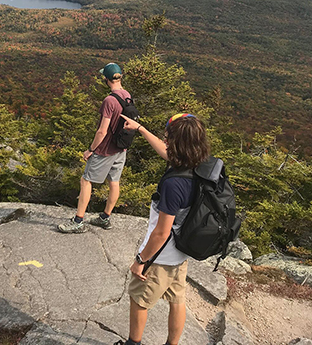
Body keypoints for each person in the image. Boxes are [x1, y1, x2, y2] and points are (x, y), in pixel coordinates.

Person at [115, 113, 211, 345]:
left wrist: (141, 260)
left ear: (174, 142)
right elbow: (167, 154)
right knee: (177, 299)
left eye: (167, 136)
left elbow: (161, 232)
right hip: (182, 250)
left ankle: (133, 343)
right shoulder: (201, 166)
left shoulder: (173, 184)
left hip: (161, 256)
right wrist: (141, 129)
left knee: (139, 299)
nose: (164, 139)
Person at [58, 62, 131, 233]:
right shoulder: (127, 95)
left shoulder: (109, 100)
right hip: (121, 148)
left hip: (105, 150)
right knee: (114, 182)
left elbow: (102, 131)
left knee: (86, 180)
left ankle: (78, 221)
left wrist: (91, 150)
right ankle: (105, 218)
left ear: (106, 79)